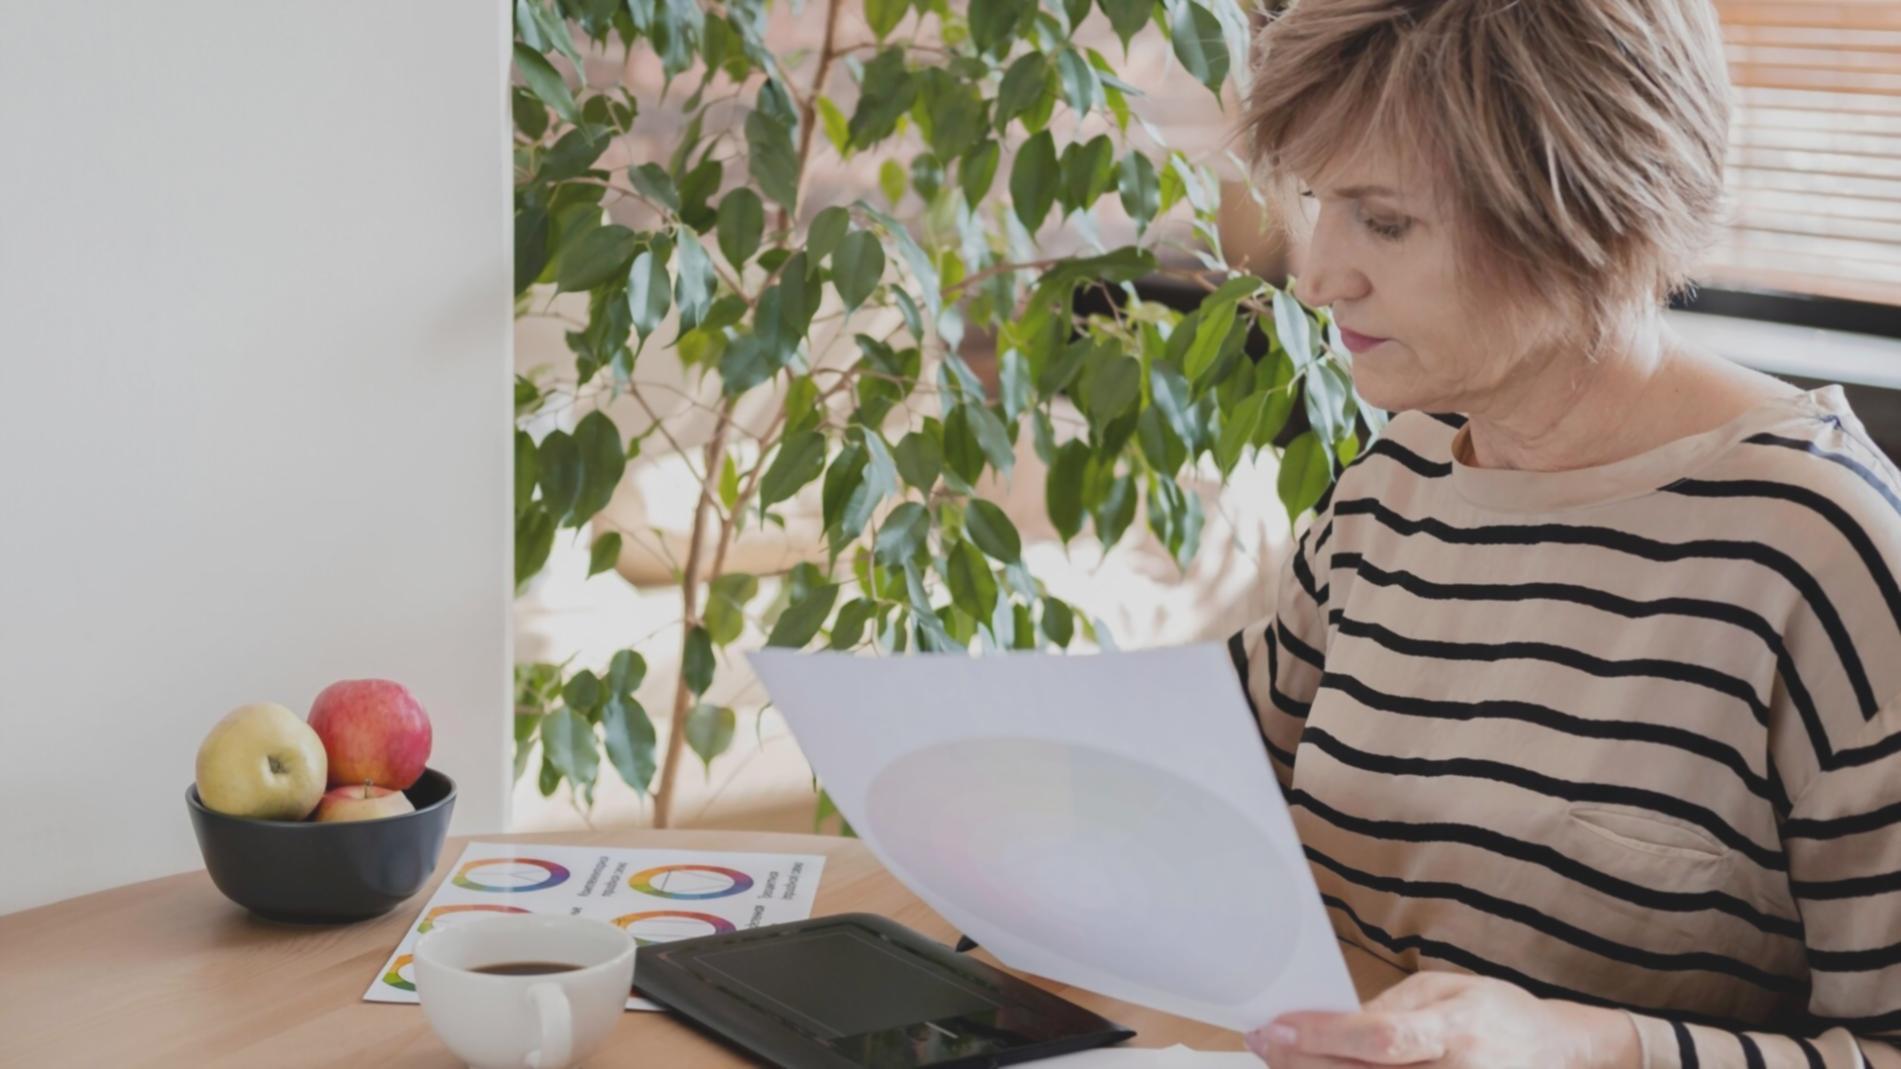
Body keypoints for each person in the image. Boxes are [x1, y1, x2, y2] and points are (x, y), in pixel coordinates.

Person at [1227, 1, 1901, 1066]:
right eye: (1317, 202)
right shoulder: (1390, 485)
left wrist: (1588, 1046)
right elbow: (1214, 799)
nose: (1317, 277)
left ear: (1586, 214)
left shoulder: (1820, 554)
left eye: (1385, 221)